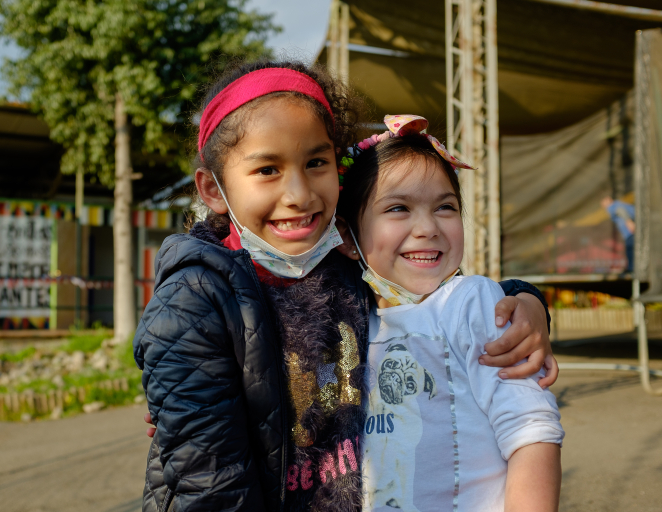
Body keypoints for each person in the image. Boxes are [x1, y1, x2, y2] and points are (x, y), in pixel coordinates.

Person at [133, 62, 558, 512]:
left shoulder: (339, 264)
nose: (298, 194)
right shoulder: (196, 298)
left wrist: (524, 301)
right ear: (213, 189)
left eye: (316, 163)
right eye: (267, 169)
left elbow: (432, 295)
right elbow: (209, 482)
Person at [336, 115, 563, 512]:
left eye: (445, 207)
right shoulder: (348, 325)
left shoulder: (472, 303)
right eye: (398, 208)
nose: (427, 227)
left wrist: (528, 300)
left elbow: (532, 431)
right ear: (346, 236)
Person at [601, 196, 635, 273]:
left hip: (630, 233)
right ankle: (631, 268)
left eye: (603, 203)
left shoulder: (613, 206)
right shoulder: (619, 204)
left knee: (630, 249)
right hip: (630, 232)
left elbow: (620, 210)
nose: (603, 206)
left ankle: (631, 268)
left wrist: (629, 222)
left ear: (608, 200)